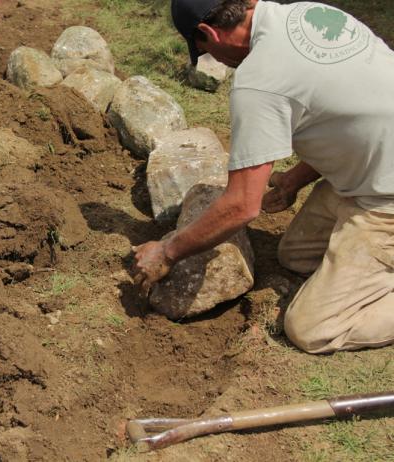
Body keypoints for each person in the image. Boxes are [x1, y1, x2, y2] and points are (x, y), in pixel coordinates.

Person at [132, 0, 394, 354]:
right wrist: (296, 179)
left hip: (384, 198)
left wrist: (167, 251)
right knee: (296, 256)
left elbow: (242, 205)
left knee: (311, 328)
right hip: (370, 171)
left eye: (207, 52)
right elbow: (356, 112)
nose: (217, 61)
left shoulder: (259, 81)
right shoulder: (309, 14)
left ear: (208, 34)